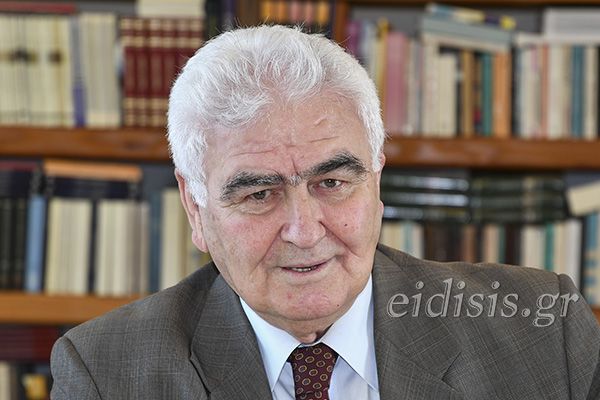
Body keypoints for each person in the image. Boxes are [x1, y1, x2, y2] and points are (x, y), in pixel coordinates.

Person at [50, 25, 600, 400]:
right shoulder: (106, 373)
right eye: (259, 194)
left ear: (376, 181)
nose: (304, 231)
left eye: (332, 183)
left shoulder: (543, 330)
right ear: (196, 208)